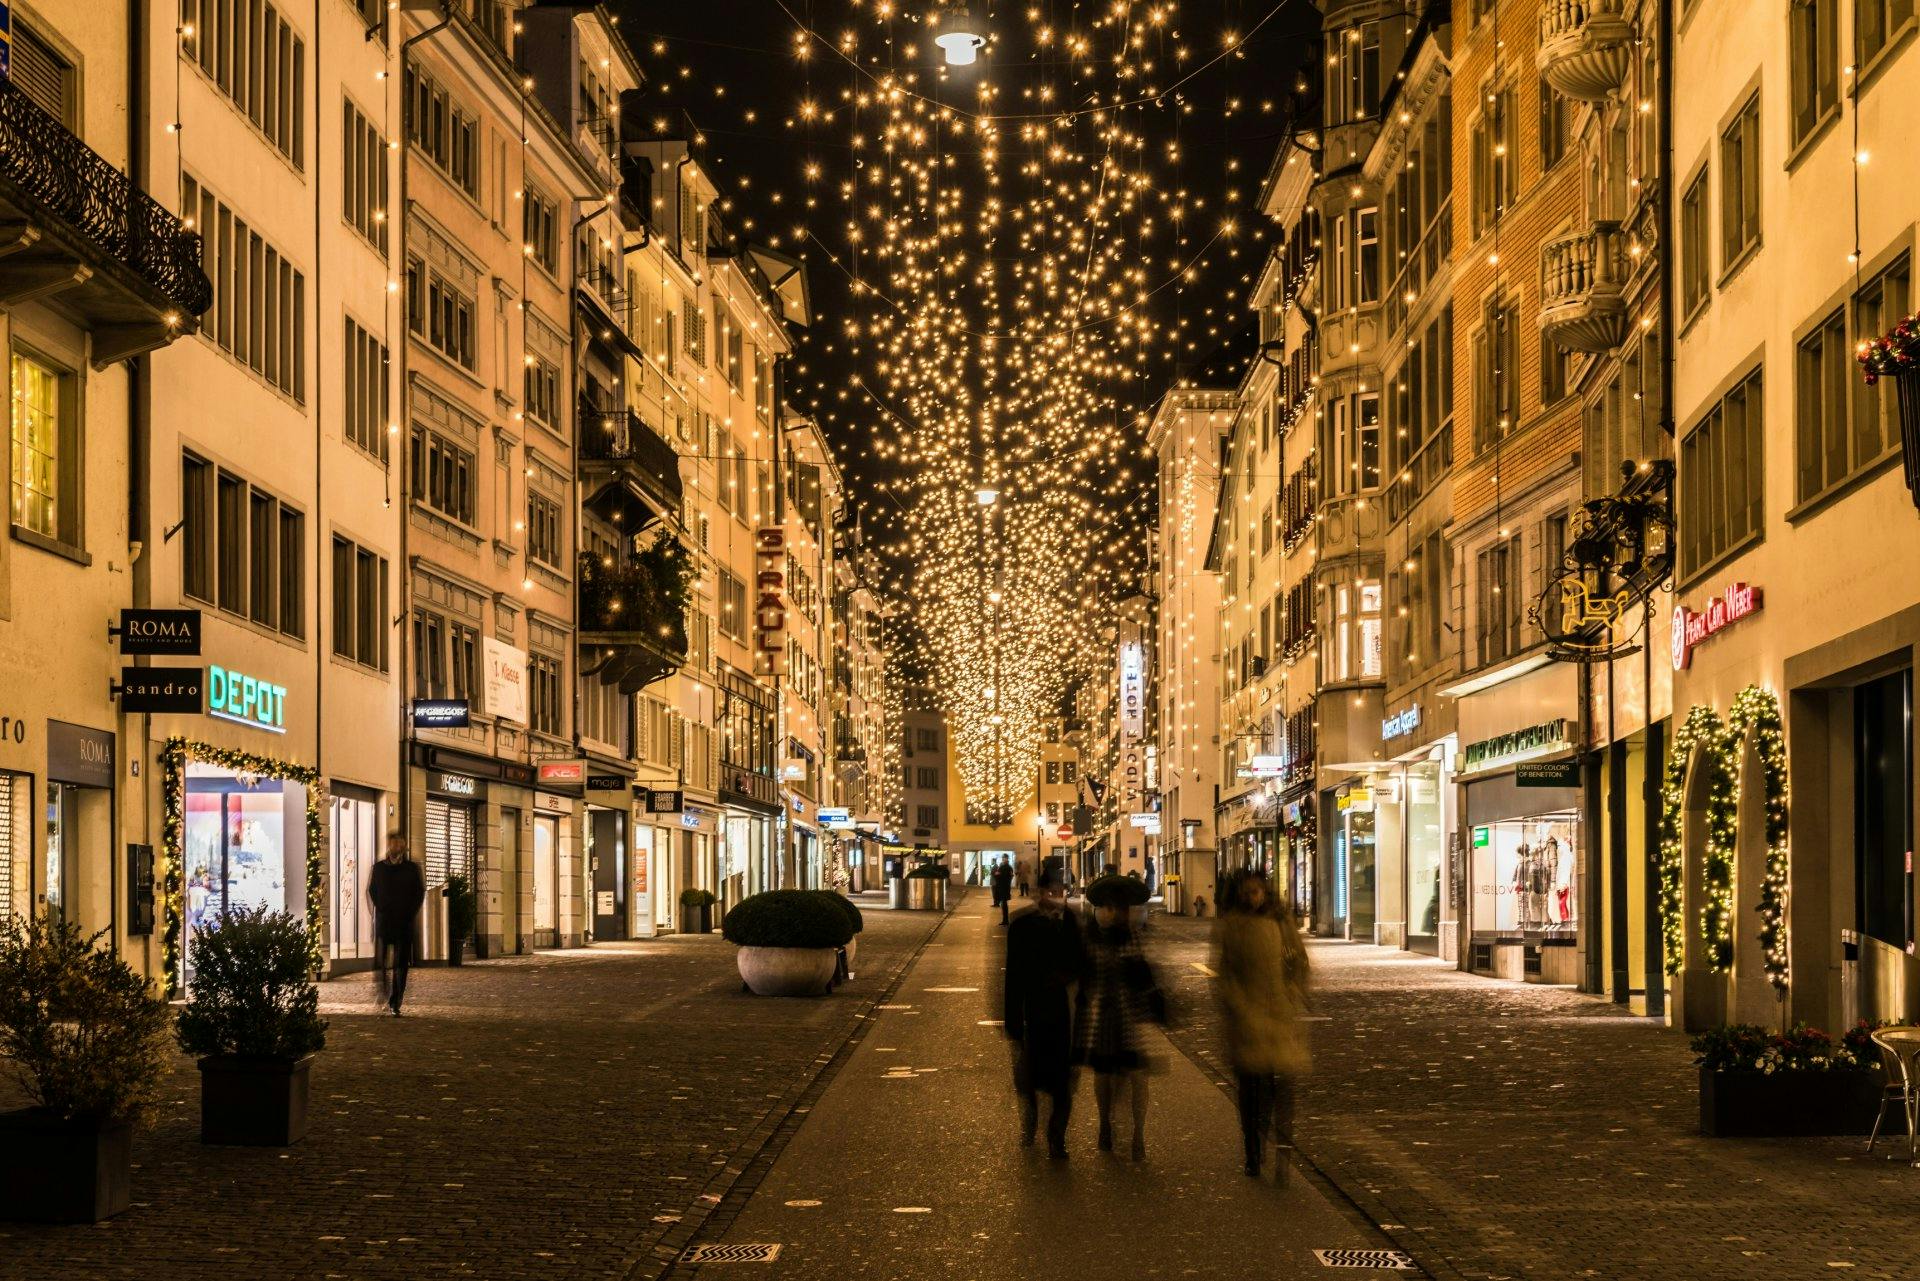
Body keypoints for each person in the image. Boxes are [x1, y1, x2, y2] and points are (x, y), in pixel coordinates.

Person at [1212, 870, 1311, 1182]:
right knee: (1250, 1090)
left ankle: (1267, 1143)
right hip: (1245, 1021)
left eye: (1257, 891)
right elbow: (1225, 975)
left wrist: (1295, 992)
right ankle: (1252, 1150)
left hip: (1278, 1014)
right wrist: (1240, 1008)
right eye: (1247, 892)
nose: (1253, 897)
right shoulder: (1231, 926)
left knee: (1272, 1085)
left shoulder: (1281, 922)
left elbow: (1299, 961)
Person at [1075, 878, 1166, 1159]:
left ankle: (1138, 1133)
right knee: (1103, 1074)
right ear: (1104, 909)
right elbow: (1085, 980)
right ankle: (1105, 1123)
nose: (1119, 914)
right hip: (1102, 1014)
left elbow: (1147, 977)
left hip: (1132, 1016)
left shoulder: (1135, 936)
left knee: (1138, 1077)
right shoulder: (1091, 939)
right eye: (1114, 908)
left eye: (1123, 909)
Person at [1004, 867, 1086, 1158]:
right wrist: (1011, 1018)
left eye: (1060, 892)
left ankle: (1057, 1137)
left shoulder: (1072, 923)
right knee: (1029, 1078)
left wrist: (1067, 978)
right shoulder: (1022, 924)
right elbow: (1013, 975)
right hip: (1031, 1010)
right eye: (1051, 892)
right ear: (1039, 893)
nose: (1056, 898)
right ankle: (1031, 1119)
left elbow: (1081, 964)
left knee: (1062, 1081)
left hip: (1063, 1012)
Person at [368, 833, 427, 1017]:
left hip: (404, 923)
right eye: (394, 844)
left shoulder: (411, 869)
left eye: (400, 845)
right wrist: (382, 907)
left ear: (404, 846)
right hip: (385, 922)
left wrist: (409, 912)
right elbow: (372, 890)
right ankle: (383, 991)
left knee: (401, 965)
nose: (397, 848)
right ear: (389, 846)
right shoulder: (378, 868)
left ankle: (396, 1002)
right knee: (380, 962)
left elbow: (419, 893)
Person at [991, 856, 1015, 925]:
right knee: (1004, 904)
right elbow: (1011, 876)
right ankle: (1005, 920)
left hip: (1002, 888)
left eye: (1003, 859)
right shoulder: (1010, 868)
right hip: (1007, 888)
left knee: (1004, 905)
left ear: (1005, 859)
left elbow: (997, 875)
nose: (1002, 860)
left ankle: (1005, 920)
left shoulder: (1003, 868)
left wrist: (997, 874)